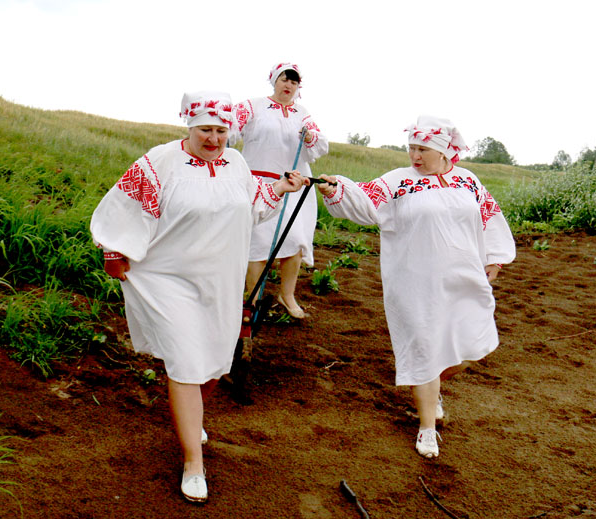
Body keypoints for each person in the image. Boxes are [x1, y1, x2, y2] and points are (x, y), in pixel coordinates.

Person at [89, 91, 308, 503]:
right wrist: (114, 250)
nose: (214, 138)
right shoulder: (161, 162)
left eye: (222, 130)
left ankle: (192, 414)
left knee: (213, 364)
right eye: (205, 129)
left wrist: (280, 187)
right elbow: (122, 207)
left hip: (220, 281)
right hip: (169, 278)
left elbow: (252, 207)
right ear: (189, 126)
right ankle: (194, 461)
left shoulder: (237, 164)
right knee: (188, 363)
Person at [314, 116, 516, 458]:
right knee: (425, 348)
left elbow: (489, 217)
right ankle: (426, 428)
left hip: (463, 278)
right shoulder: (398, 182)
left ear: (443, 150)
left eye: (422, 149)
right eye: (412, 148)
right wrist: (338, 189)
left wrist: (494, 258)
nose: (415, 156)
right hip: (416, 282)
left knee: (471, 347)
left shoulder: (468, 181)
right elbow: (365, 199)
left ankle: (432, 387)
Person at [233, 62, 329, 319]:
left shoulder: (302, 113)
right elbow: (229, 129)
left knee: (295, 240)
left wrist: (310, 138)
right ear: (274, 80)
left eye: (294, 82)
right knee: (259, 243)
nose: (288, 85)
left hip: (295, 184)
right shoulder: (252, 106)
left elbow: (318, 145)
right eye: (284, 79)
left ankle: (287, 296)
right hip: (260, 184)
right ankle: (251, 300)